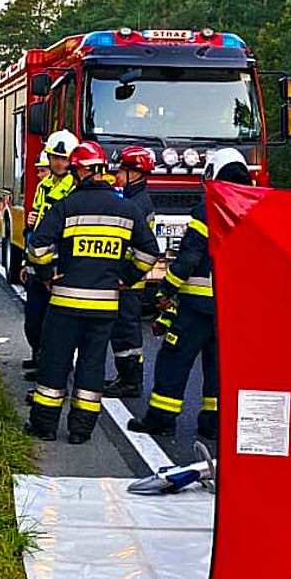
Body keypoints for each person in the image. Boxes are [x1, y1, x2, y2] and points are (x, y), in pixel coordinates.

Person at [25, 141, 160, 444]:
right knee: (92, 367)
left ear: (82, 170)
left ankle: (44, 426)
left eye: (74, 171)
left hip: (65, 305)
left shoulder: (66, 206)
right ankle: (81, 431)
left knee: (54, 364)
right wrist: (125, 278)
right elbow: (150, 252)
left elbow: (38, 247)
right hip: (104, 306)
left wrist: (47, 275)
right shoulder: (127, 208)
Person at [128, 148, 252, 443]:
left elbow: (189, 257)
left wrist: (166, 289)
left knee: (174, 358)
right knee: (218, 365)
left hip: (197, 305)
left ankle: (161, 419)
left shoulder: (209, 209)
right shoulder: (253, 208)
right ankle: (213, 423)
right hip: (232, 306)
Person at [21, 130, 78, 378]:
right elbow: (34, 229)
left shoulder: (74, 188)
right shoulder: (43, 186)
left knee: (54, 323)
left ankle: (51, 366)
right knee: (33, 320)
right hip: (38, 261)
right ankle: (39, 356)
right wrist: (26, 258)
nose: (58, 162)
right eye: (55, 157)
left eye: (63, 158)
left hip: (60, 264)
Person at [104, 146, 156, 398]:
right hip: (126, 279)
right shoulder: (134, 199)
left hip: (129, 282)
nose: (116, 175)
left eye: (121, 170)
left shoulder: (137, 204)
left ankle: (131, 382)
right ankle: (125, 377)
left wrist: (126, 276)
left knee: (127, 333)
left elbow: (143, 248)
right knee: (123, 332)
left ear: (135, 173)